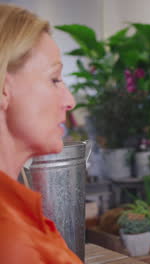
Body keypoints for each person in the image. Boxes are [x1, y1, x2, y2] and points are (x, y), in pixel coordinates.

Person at [0, 4, 82, 263]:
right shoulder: (10, 239)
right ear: (4, 88)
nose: (70, 101)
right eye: (54, 79)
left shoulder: (18, 210)